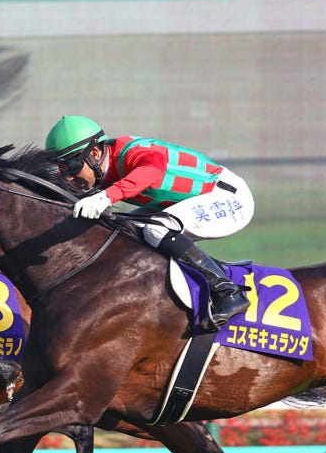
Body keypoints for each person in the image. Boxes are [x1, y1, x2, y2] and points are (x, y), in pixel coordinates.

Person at [45, 115, 252, 331]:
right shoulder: (100, 169)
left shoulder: (131, 151)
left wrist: (105, 197)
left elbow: (151, 171)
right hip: (187, 200)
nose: (67, 177)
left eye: (72, 166)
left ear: (95, 154)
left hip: (228, 197)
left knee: (157, 229)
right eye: (61, 169)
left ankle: (228, 292)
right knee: (127, 229)